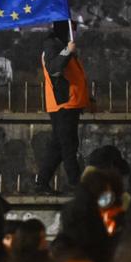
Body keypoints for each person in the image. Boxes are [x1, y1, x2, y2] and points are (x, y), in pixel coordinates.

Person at [36, 20, 90, 194]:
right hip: (63, 104)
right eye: (71, 29)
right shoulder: (53, 46)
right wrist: (68, 51)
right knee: (68, 145)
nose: (73, 33)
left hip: (70, 103)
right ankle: (75, 183)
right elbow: (54, 68)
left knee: (59, 146)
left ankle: (41, 182)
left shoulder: (61, 44)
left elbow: (74, 76)